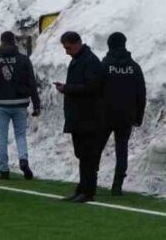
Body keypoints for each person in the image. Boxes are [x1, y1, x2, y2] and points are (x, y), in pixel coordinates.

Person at [55, 31, 106, 203]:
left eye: (68, 47)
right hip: (80, 118)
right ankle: (82, 188)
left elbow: (91, 87)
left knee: (88, 156)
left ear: (77, 43)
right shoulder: (79, 60)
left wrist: (67, 89)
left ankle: (88, 190)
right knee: (82, 154)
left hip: (89, 118)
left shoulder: (90, 62)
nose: (66, 51)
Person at [0, 31, 40, 181]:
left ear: (1, 42)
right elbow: (32, 82)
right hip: (20, 103)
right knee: (20, 135)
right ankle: (23, 159)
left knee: (2, 137)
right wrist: (36, 104)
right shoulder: (23, 60)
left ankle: (4, 170)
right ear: (14, 42)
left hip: (1, 103)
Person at [99, 32, 146, 196]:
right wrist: (138, 117)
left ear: (109, 45)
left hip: (105, 115)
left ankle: (90, 179)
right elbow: (141, 94)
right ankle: (117, 185)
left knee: (96, 148)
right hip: (126, 116)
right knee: (122, 150)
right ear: (124, 44)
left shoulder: (104, 66)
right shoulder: (134, 67)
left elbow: (95, 90)